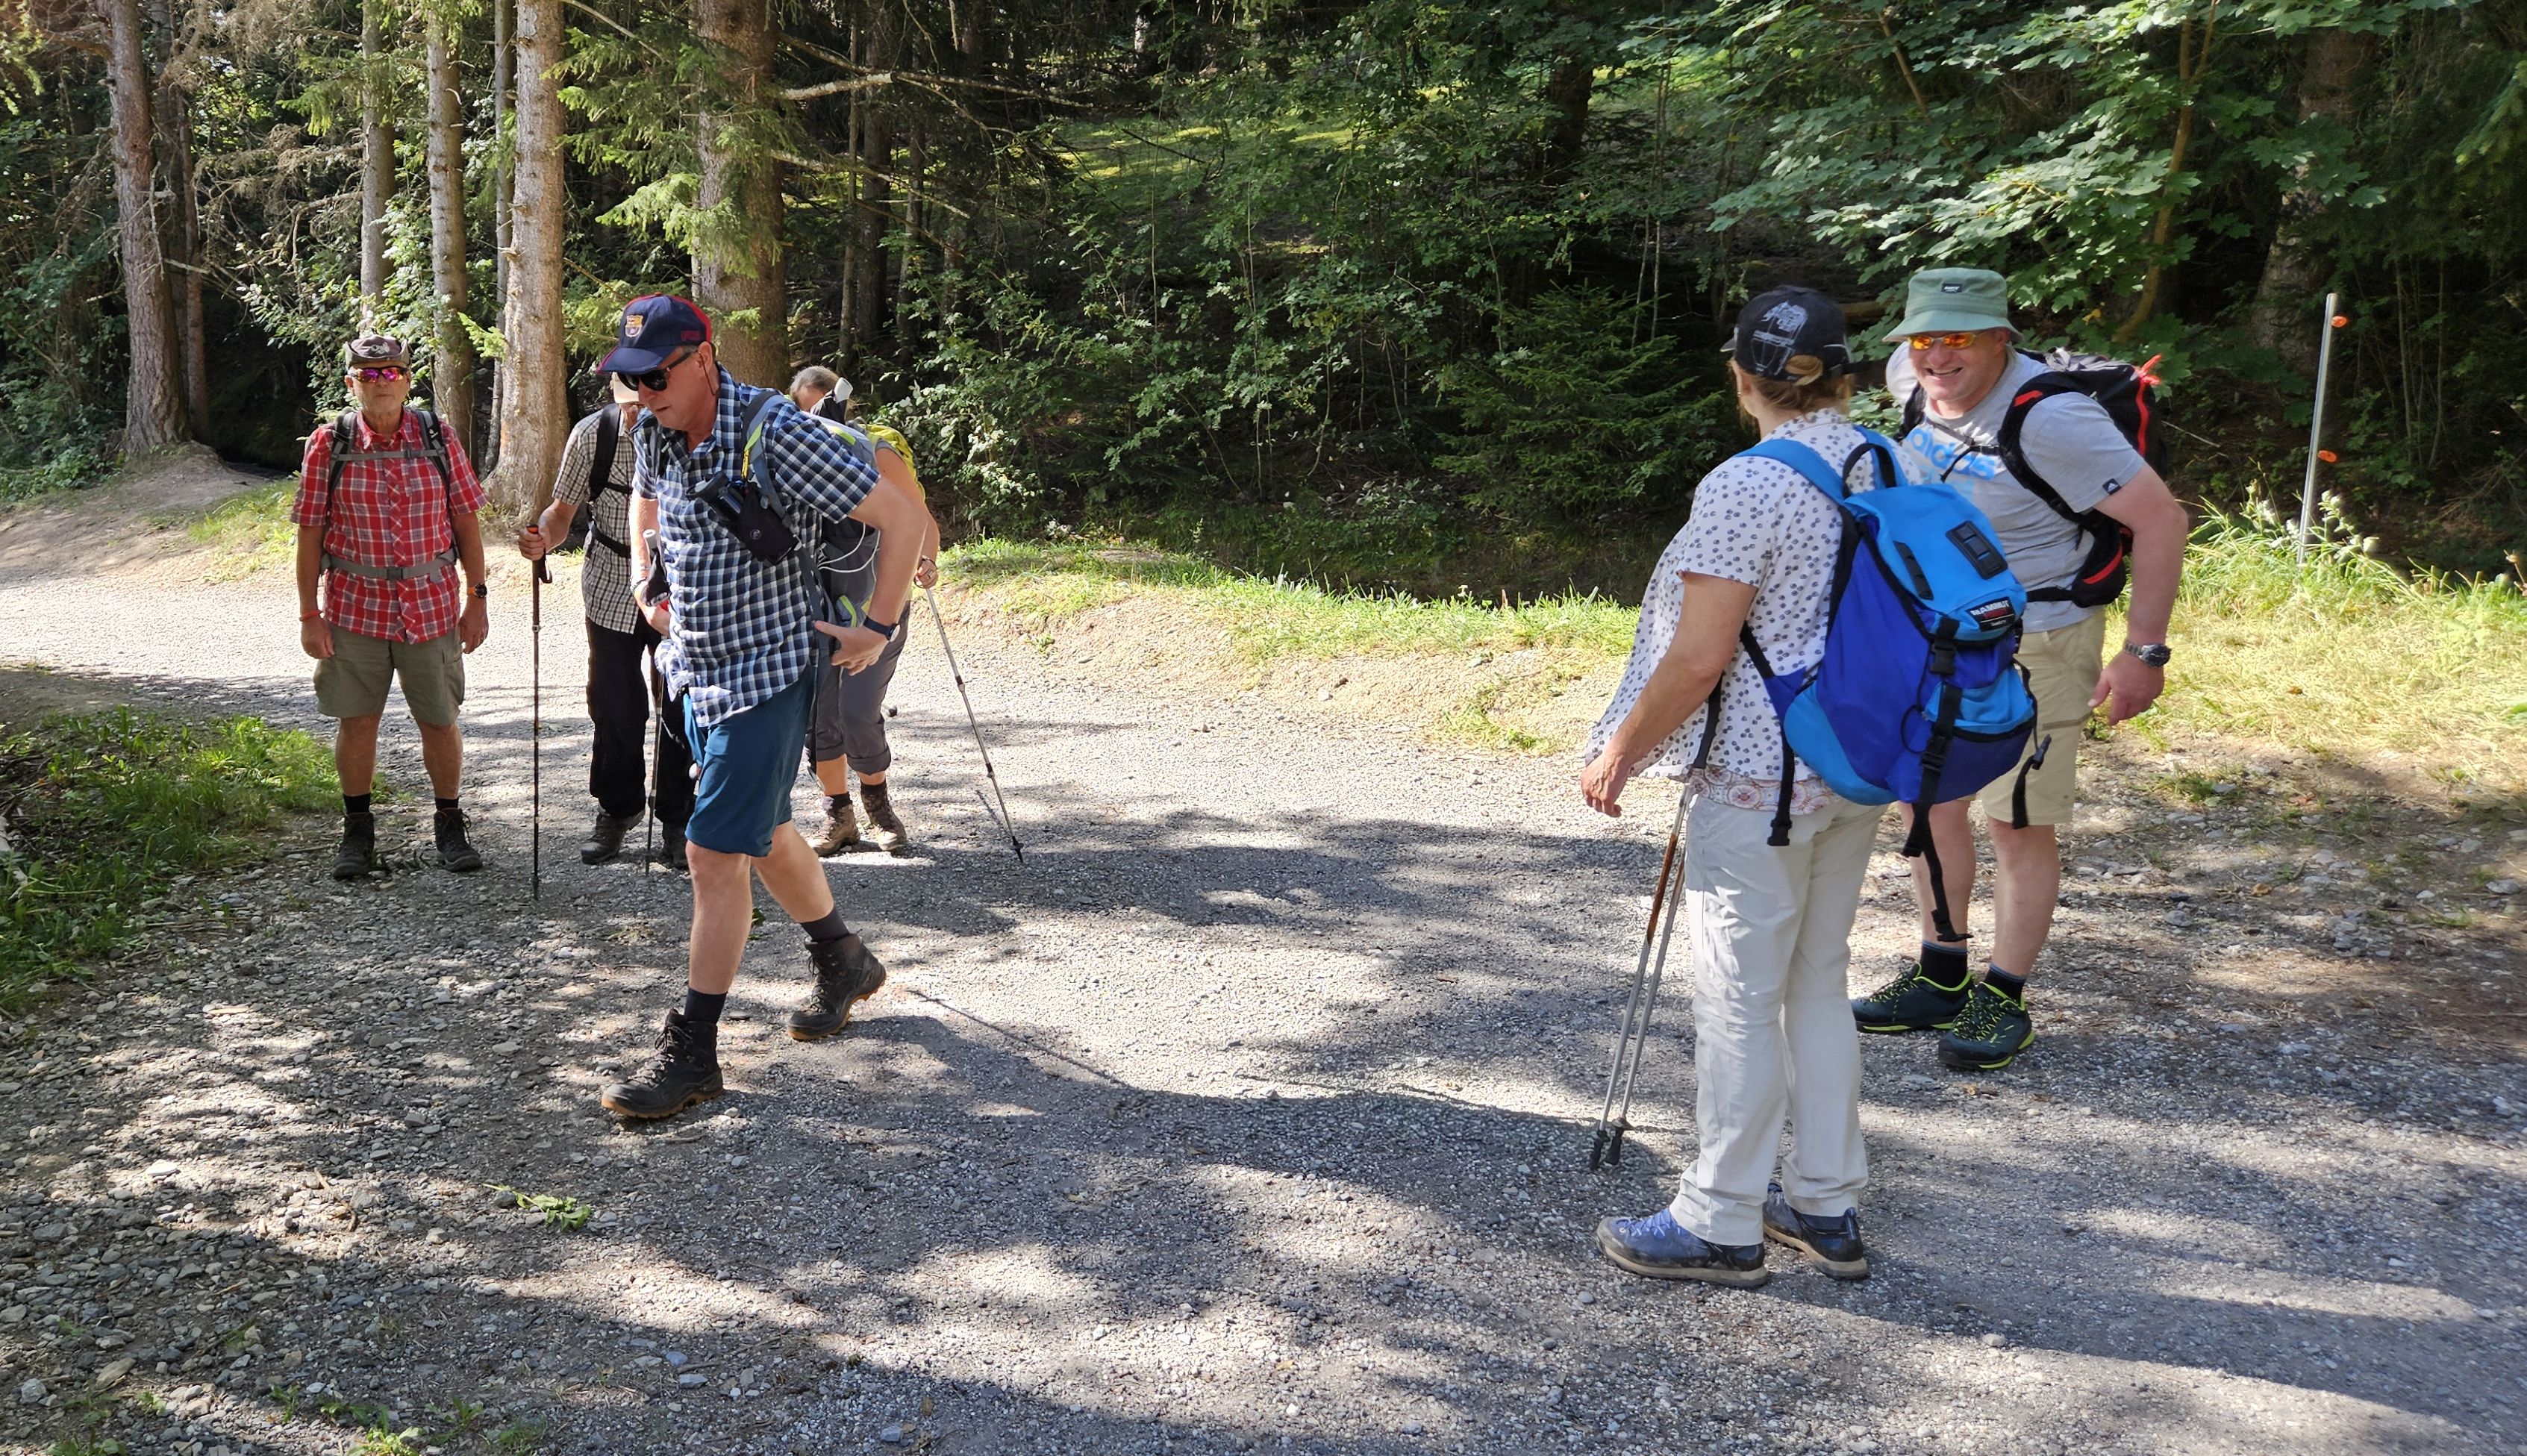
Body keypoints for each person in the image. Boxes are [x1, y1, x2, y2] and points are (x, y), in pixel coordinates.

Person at [1578, 288, 1889, 1288]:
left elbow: (1699, 655)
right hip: (1853, 764)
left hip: (1759, 779)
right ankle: (1826, 1203)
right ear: (1843, 376)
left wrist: (1621, 749)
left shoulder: (1747, 483)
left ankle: (1717, 1219)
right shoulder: (1887, 461)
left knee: (1738, 999)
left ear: (1742, 377)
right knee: (1817, 981)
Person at [592, 296, 937, 1122]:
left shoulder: (776, 431)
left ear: (703, 359)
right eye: (631, 380)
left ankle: (693, 1052)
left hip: (769, 675)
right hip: (695, 672)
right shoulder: (653, 432)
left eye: (656, 376)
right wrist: (644, 578)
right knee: (767, 829)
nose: (642, 393)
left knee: (712, 851)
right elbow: (650, 508)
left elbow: (903, 516)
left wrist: (877, 627)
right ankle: (843, 957)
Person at [1861, 268, 2190, 1072]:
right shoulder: (1910, 376)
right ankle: (1941, 972)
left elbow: (2162, 519)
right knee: (1926, 801)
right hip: (1936, 633)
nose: (1937, 356)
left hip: (2037, 637)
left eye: (1958, 338)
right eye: (1923, 337)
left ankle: (2003, 995)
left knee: (2015, 819)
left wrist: (2143, 651)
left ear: (1999, 337)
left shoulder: (2053, 420)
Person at [292, 334, 490, 881]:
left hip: (430, 607)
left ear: (407, 379)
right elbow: (309, 534)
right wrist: (309, 615)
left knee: (440, 720)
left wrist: (477, 598)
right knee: (357, 723)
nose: (381, 383)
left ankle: (450, 823)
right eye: (368, 374)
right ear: (350, 383)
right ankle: (357, 829)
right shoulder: (328, 444)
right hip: (355, 610)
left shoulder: (437, 436)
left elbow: (466, 520)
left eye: (391, 373)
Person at [516, 373, 696, 871]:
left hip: (680, 586)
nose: (640, 413)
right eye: (630, 405)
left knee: (679, 701)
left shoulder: (693, 431)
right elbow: (562, 511)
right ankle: (618, 808)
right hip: (611, 580)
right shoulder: (594, 435)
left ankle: (679, 817)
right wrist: (542, 538)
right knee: (614, 703)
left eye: (647, 403)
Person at [785, 366, 940, 855]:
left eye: (823, 406)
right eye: (807, 411)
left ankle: (877, 803)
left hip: (878, 608)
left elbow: (918, 518)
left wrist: (926, 560)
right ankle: (839, 814)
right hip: (817, 607)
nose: (818, 418)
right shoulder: (792, 455)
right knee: (819, 717)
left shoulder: (875, 451)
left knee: (856, 711)